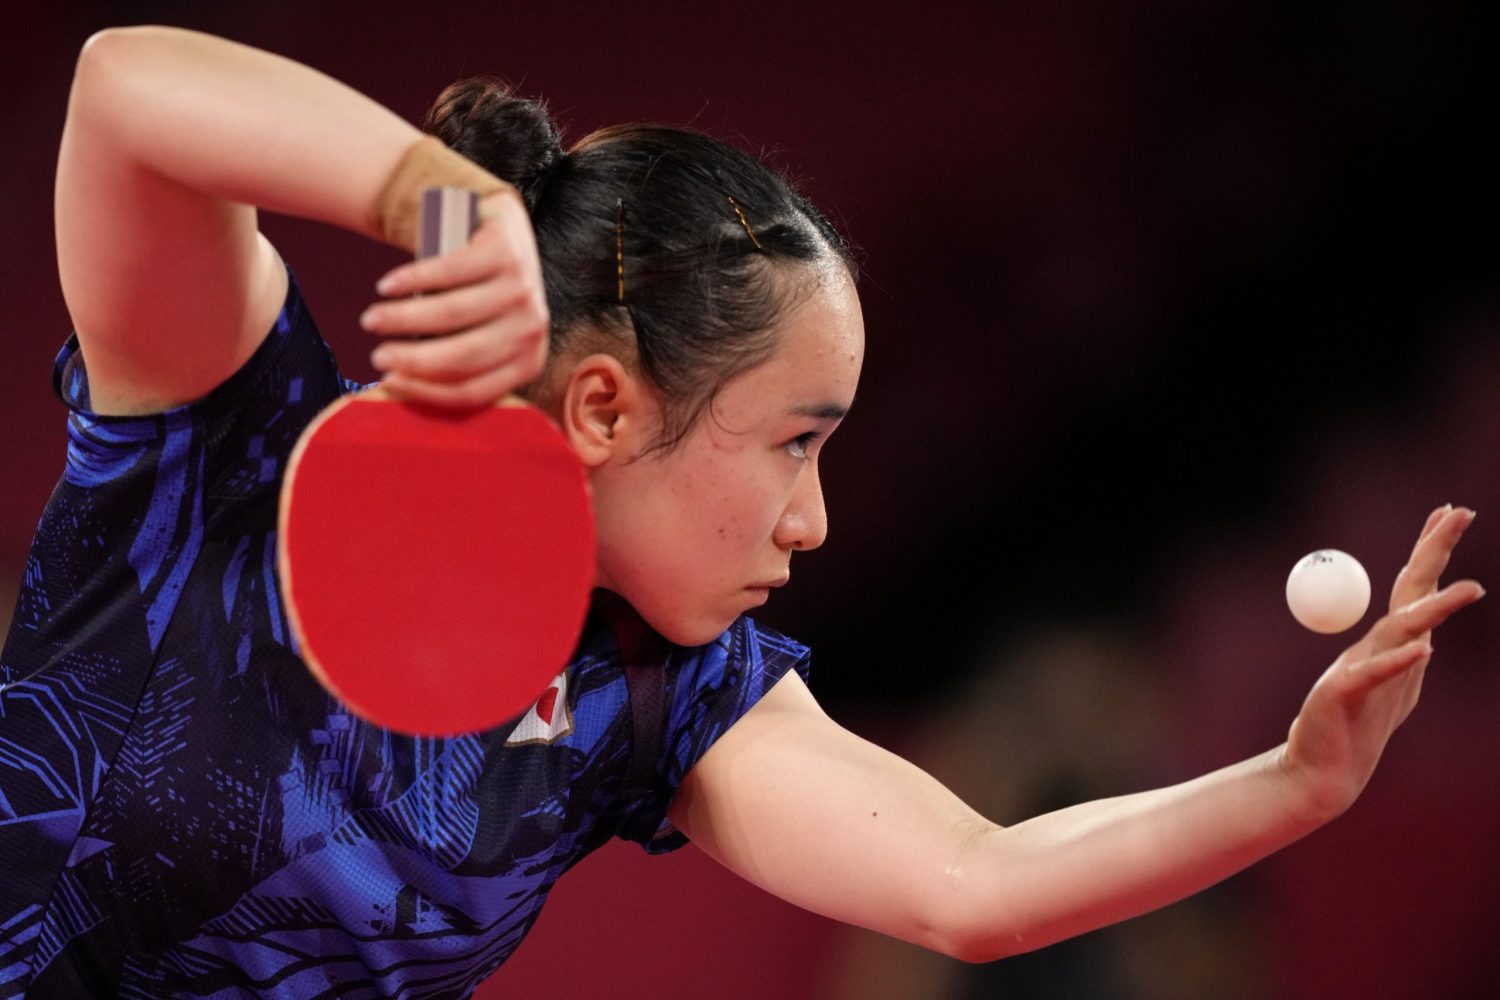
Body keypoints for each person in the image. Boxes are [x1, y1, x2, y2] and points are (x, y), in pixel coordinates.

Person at [0, 25, 1483, 999]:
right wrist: (437, 202)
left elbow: (973, 884)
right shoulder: (221, 452)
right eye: (793, 443)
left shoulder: (671, 704)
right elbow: (127, 92)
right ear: (602, 409)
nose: (815, 521)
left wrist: (1295, 784)